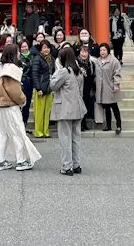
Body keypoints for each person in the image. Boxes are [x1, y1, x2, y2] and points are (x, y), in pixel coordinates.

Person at [0, 43, 42, 171]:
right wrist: (22, 100)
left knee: (1, 133)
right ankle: (21, 160)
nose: (19, 54)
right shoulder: (12, 69)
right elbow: (14, 91)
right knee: (17, 133)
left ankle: (0, 160)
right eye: (17, 52)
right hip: (11, 106)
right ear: (14, 54)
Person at [50, 46, 88, 176]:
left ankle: (67, 166)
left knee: (65, 138)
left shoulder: (64, 71)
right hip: (77, 107)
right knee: (76, 138)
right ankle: (76, 164)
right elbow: (81, 90)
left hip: (65, 108)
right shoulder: (78, 71)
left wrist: (57, 69)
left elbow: (53, 85)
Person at [95, 42, 122, 134]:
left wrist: (116, 85)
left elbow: (117, 74)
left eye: (104, 50)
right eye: (101, 50)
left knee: (114, 107)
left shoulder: (114, 61)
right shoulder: (97, 61)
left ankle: (118, 125)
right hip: (102, 88)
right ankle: (108, 125)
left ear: (108, 51)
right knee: (106, 107)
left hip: (111, 87)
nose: (102, 52)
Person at [30, 40, 55, 138]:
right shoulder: (37, 58)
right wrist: (38, 88)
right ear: (40, 49)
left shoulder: (52, 59)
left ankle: (46, 131)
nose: (46, 49)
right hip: (40, 88)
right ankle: (39, 132)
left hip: (49, 87)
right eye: (44, 47)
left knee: (47, 111)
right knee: (39, 112)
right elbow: (34, 74)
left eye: (48, 47)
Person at [77, 43, 98, 130]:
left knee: (86, 104)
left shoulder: (91, 63)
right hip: (79, 86)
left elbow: (93, 75)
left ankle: (84, 122)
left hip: (88, 86)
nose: (84, 54)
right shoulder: (76, 62)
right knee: (79, 105)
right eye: (82, 52)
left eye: (86, 52)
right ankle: (80, 124)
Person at [19, 39, 34, 131]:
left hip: (30, 82)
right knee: (21, 104)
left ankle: (24, 123)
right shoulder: (18, 57)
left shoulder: (33, 56)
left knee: (27, 104)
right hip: (21, 81)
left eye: (25, 46)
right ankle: (19, 125)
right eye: (22, 46)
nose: (24, 48)